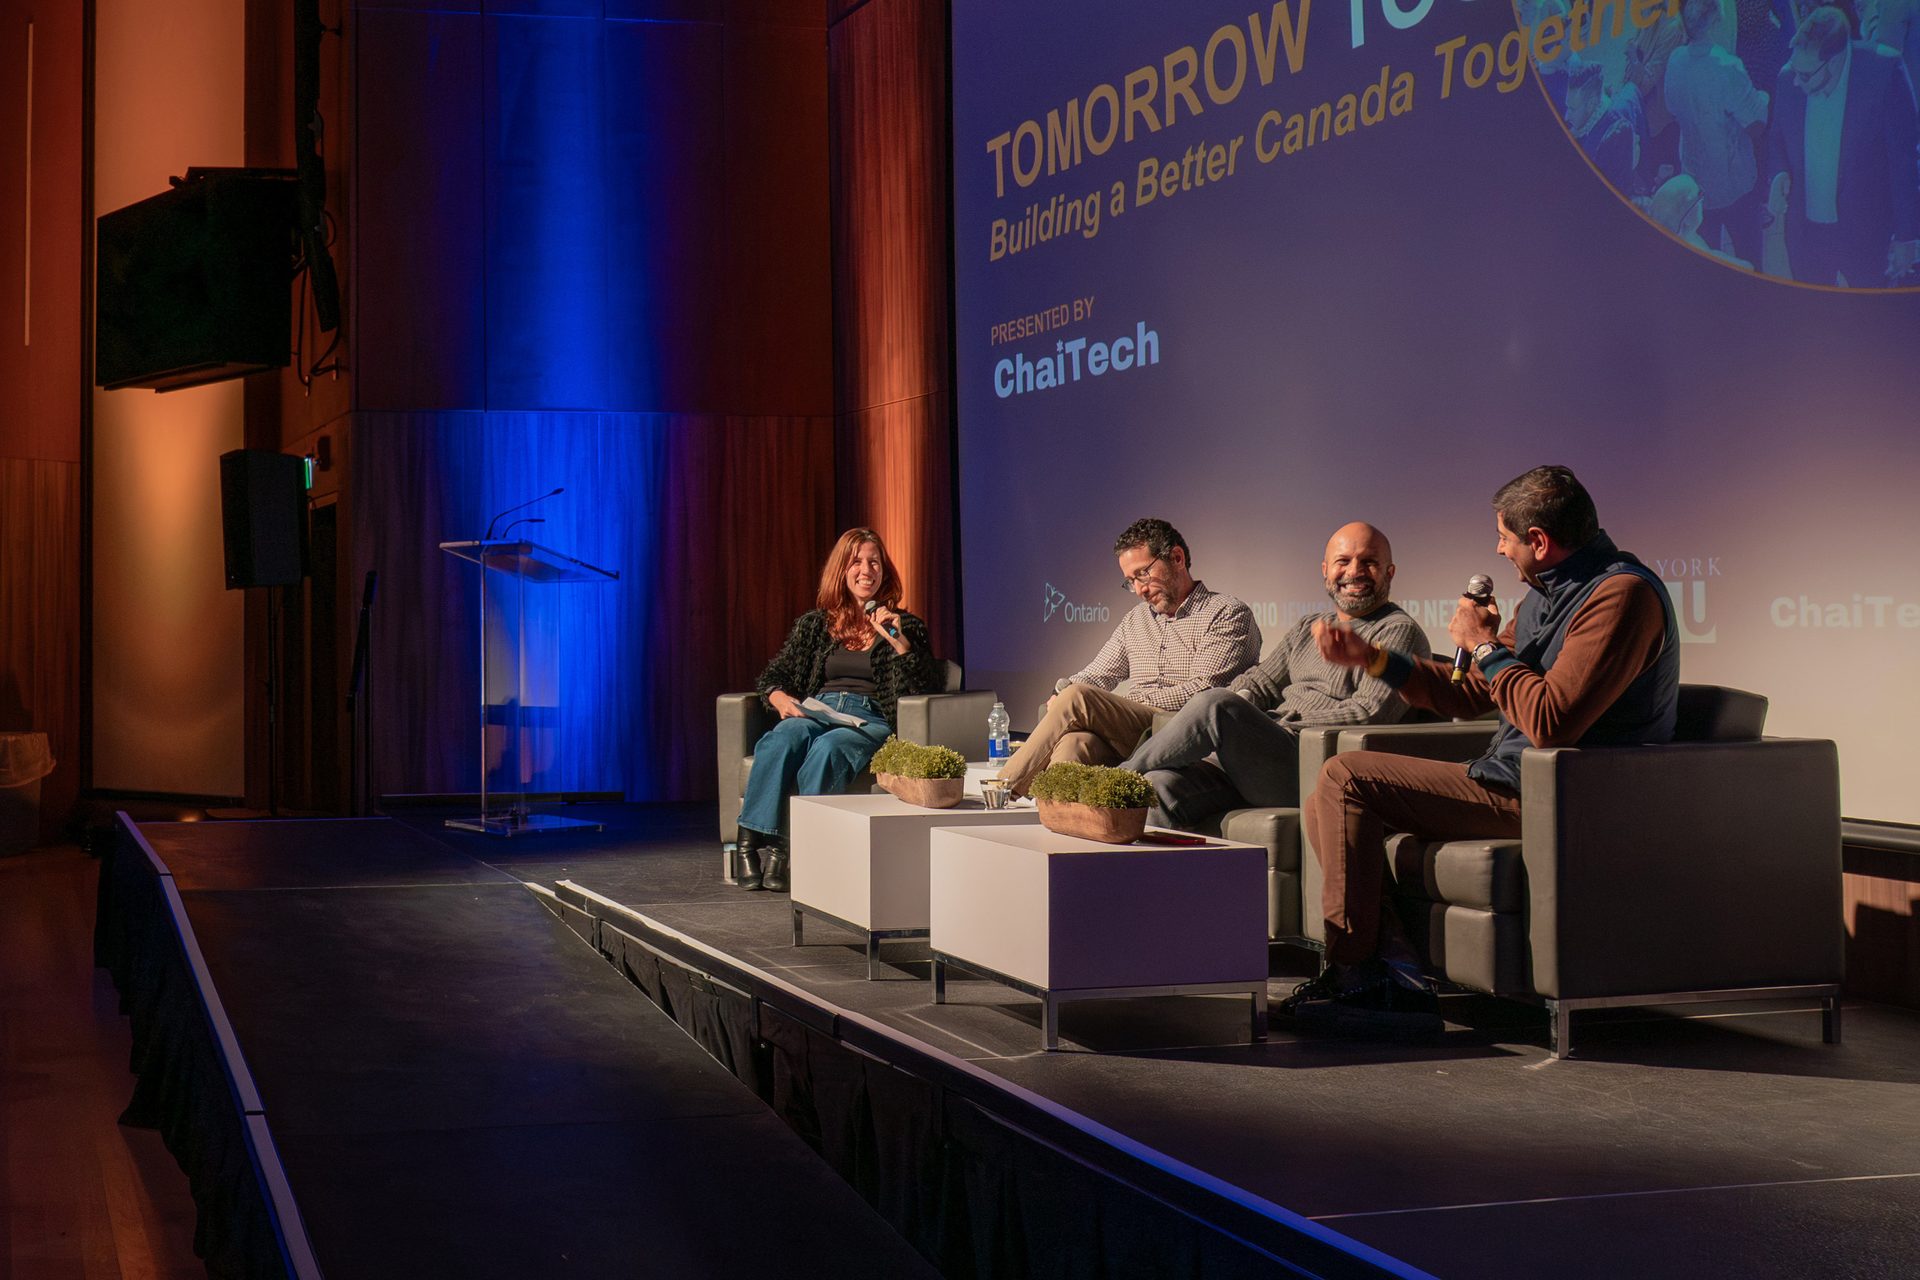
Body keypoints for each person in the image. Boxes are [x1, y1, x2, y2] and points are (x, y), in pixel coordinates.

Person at [1286, 467, 1679, 1036]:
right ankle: (1393, 976)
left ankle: (1359, 977)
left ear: (1540, 541)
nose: (1499, 548)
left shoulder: (1622, 596)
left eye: (1506, 537)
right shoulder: (1545, 594)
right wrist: (1372, 658)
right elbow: (1471, 693)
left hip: (1562, 799)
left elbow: (1550, 720)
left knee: (1346, 777)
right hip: (1507, 778)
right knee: (1331, 788)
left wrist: (1485, 645)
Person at [1117, 522, 1430, 829]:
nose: (1354, 572)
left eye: (1369, 562)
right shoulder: (1309, 627)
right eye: (1343, 561)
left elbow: (1370, 713)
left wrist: (1276, 726)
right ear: (1325, 570)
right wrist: (1247, 724)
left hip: (1313, 766)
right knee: (1158, 787)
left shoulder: (1397, 631)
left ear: (1389, 573)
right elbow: (1258, 680)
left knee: (1215, 704)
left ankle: (1112, 779)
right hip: (1262, 758)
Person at [736, 528, 943, 892]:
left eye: (874, 562)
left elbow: (926, 688)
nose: (867, 570)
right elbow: (774, 674)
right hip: (820, 708)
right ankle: (749, 845)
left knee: (828, 750)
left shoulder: (904, 625)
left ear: (885, 571)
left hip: (872, 717)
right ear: (841, 570)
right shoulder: (816, 625)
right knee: (782, 738)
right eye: (857, 562)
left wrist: (901, 644)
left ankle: (789, 851)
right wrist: (780, 698)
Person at [995, 517, 1259, 796]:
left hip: (1183, 727)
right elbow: (1098, 674)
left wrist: (1118, 701)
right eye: (1130, 581)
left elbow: (1205, 690)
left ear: (1177, 558)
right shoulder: (1136, 620)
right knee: (1075, 743)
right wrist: (1060, 689)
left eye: (1143, 574)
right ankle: (1058, 820)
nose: (1139, 590)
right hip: (1137, 733)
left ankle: (1003, 789)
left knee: (1077, 698)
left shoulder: (1226, 613)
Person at [1765, 7, 1920, 285]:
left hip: (1866, 235)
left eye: (1806, 75)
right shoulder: (1789, 77)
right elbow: (1776, 136)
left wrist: (1907, 236)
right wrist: (1779, 173)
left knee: (1870, 319)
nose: (1797, 82)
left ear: (1835, 61)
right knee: (1815, 316)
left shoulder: (1884, 72)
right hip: (1806, 236)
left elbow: (1904, 161)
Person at [1665, 0, 1772, 264]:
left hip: (1696, 186)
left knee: (1707, 263)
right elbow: (1757, 126)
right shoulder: (1726, 66)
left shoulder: (1675, 62)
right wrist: (1763, 99)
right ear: (1716, 17)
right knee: (1750, 262)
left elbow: (1672, 111)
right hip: (1735, 185)